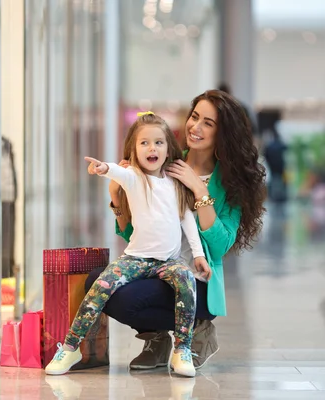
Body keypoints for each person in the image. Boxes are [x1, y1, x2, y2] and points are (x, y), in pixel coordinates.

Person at [87, 90, 266, 370]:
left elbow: (220, 246)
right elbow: (131, 232)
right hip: (154, 267)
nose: (196, 127)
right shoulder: (163, 157)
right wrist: (117, 198)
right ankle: (157, 340)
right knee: (98, 282)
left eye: (209, 123)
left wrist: (198, 189)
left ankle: (199, 329)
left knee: (128, 300)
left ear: (224, 133)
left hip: (197, 282)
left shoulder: (232, 183)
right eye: (195, 117)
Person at [45, 112, 211, 378]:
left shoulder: (175, 185)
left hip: (169, 261)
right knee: (99, 288)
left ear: (168, 149)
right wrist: (103, 168)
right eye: (144, 143)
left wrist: (199, 255)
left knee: (187, 284)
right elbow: (118, 171)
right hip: (135, 259)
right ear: (134, 150)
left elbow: (187, 220)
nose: (151, 148)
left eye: (158, 142)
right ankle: (70, 346)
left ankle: (182, 349)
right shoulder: (134, 177)